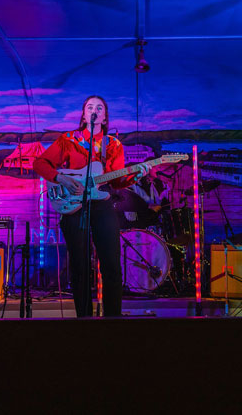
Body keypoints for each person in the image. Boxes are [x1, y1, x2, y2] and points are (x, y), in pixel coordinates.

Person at [33, 95, 149, 317]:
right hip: (75, 207)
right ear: (84, 115)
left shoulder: (113, 144)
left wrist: (134, 176)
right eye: (90, 107)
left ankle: (112, 318)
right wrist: (61, 178)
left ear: (104, 117)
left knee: (112, 265)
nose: (94, 110)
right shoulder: (69, 139)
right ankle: (84, 320)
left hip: (102, 206)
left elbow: (116, 180)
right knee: (80, 267)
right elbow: (39, 163)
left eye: (99, 108)